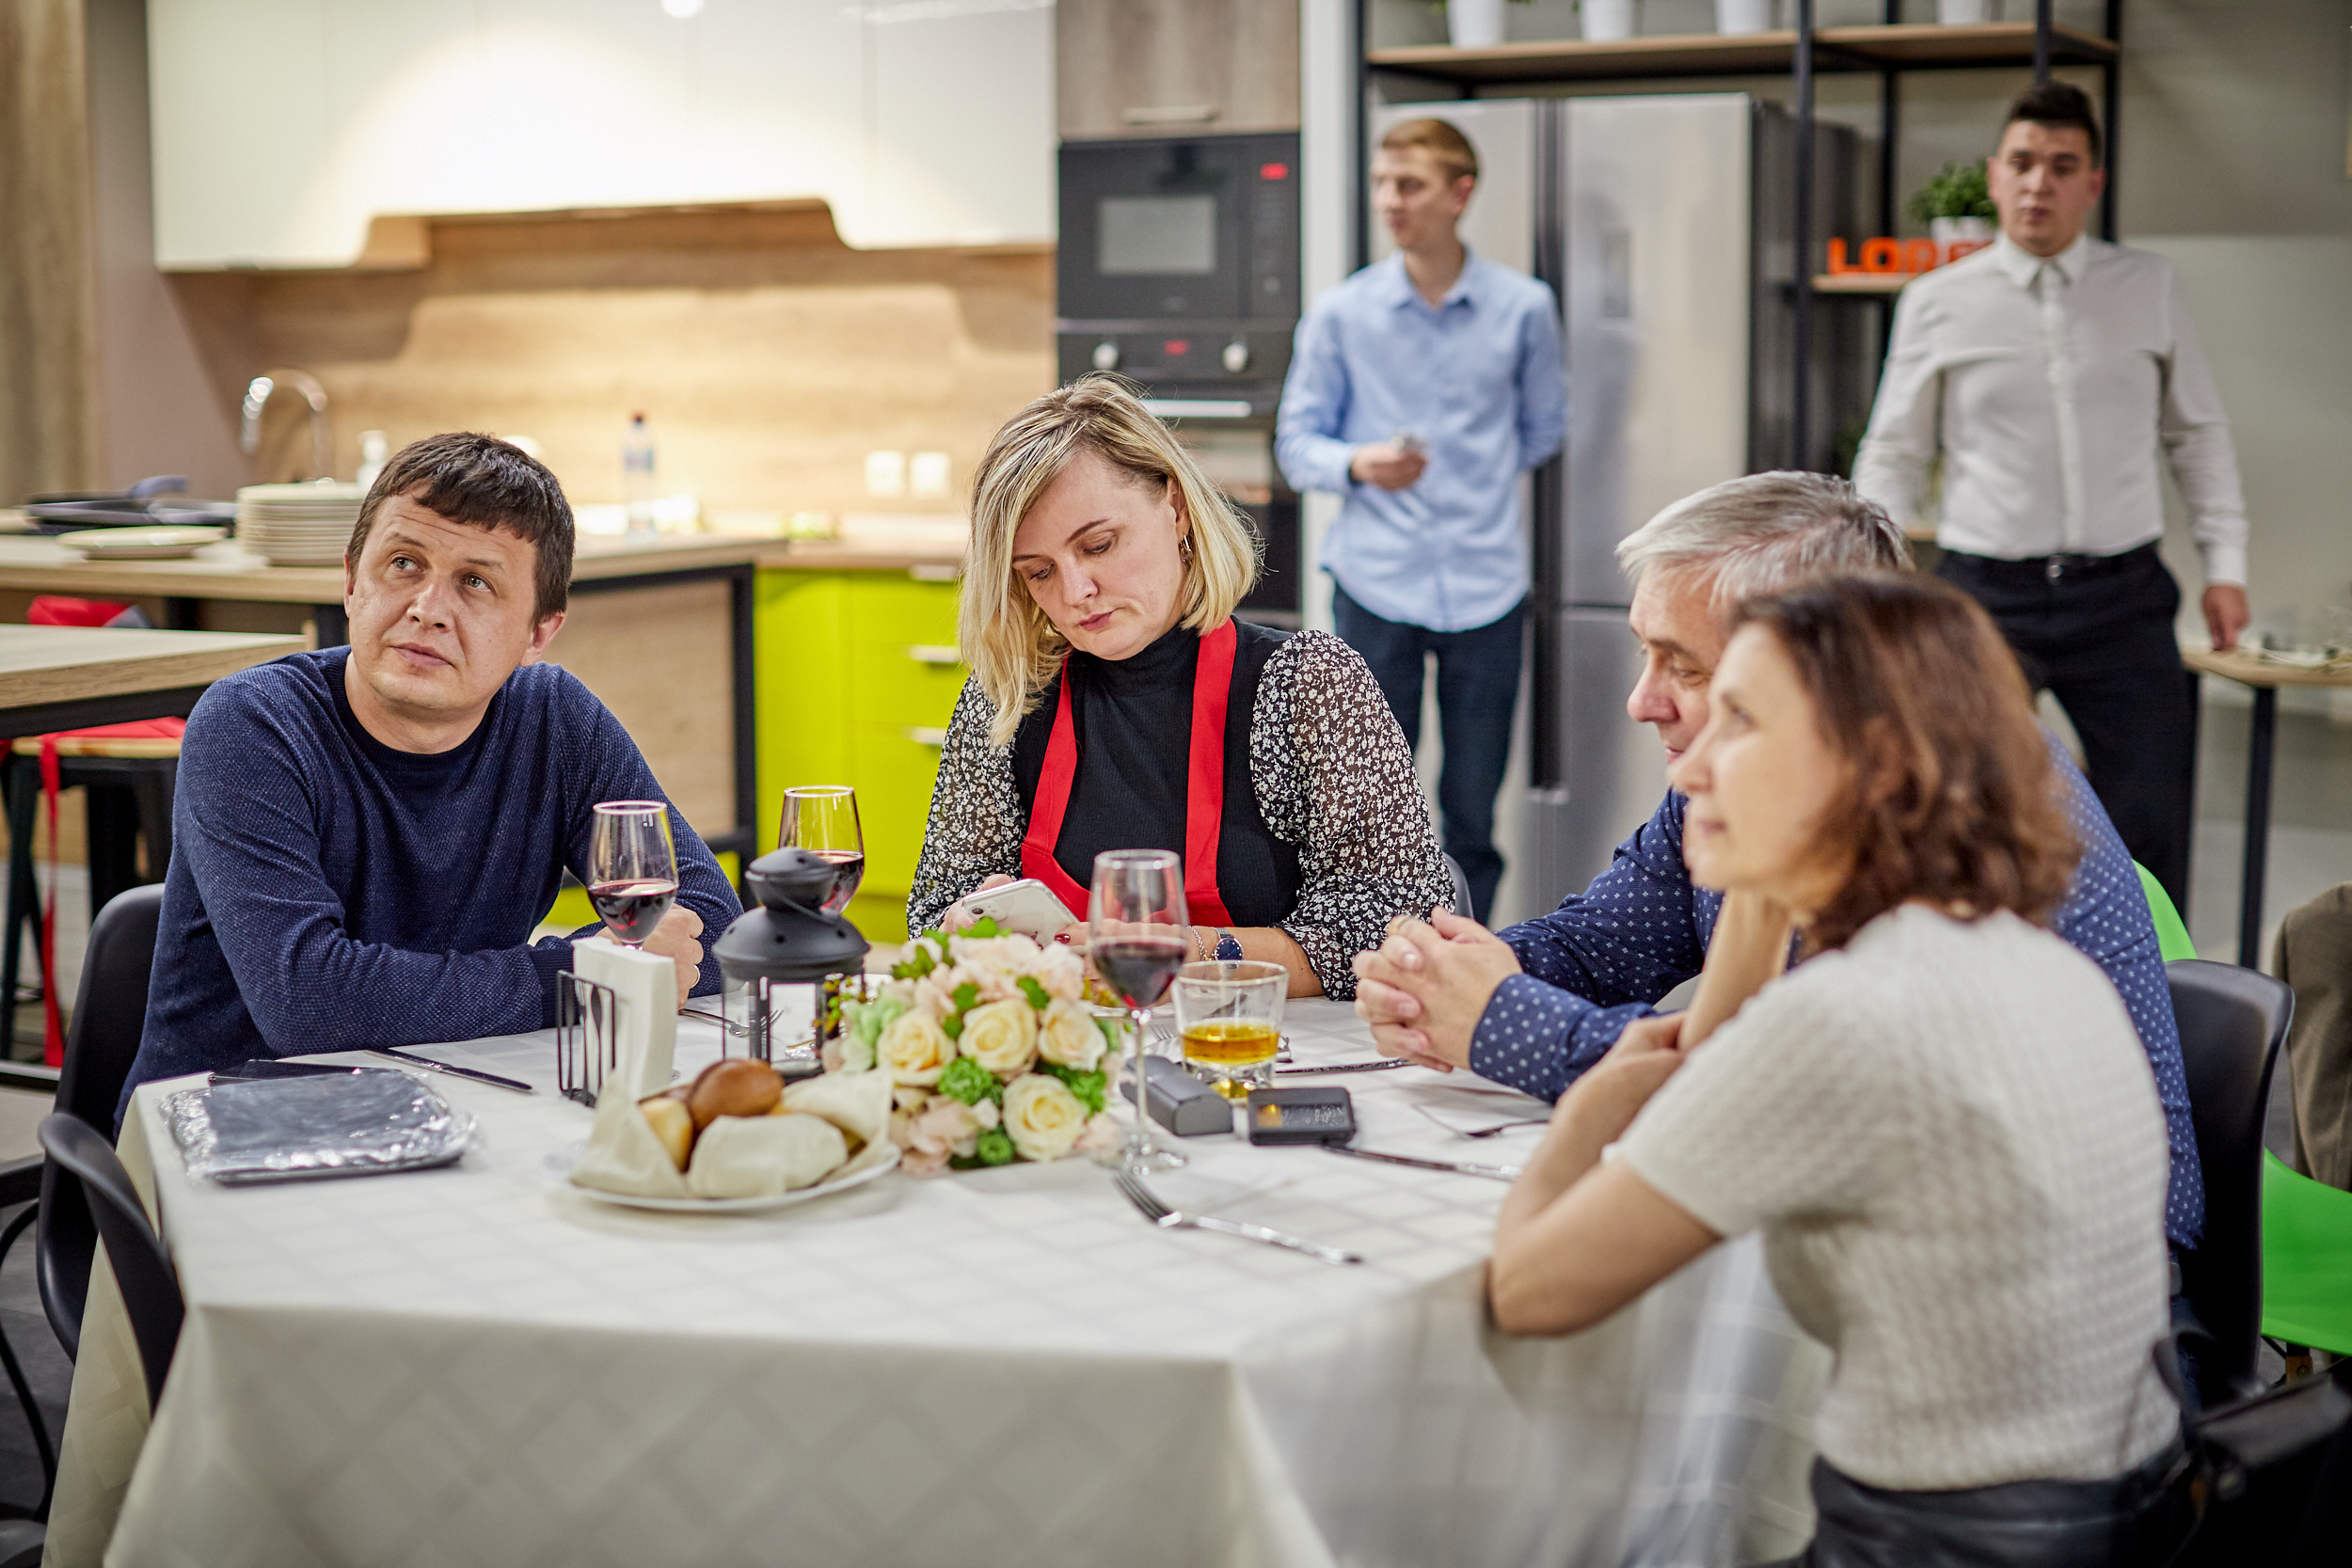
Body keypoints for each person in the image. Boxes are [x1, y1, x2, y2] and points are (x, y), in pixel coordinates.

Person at [1487, 573, 2191, 1565]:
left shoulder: (1850, 1015)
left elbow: (1529, 1291)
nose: (1690, 770)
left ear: (1870, 766)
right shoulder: (2020, 952)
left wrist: (1587, 1110)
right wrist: (1767, 892)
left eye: (1740, 723)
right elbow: (1723, 1068)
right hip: (2123, 1514)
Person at [1351, 471, 2203, 1256]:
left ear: (1819, 669)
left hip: (2092, 1308)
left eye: (1684, 666)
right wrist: (1444, 974)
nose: (1642, 701)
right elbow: (1603, 942)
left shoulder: (1953, 825)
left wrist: (1502, 1021)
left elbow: (1756, 1091)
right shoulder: (1757, 767)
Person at [123, 433, 738, 1114]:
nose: (428, 607)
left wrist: (597, 969)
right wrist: (581, 973)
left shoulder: (556, 723)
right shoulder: (254, 725)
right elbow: (309, 1006)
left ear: (539, 631)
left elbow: (706, 924)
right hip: (228, 1131)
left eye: (475, 582)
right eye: (404, 563)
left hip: (449, 1104)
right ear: (353, 581)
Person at [907, 375, 1452, 998]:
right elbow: (932, 914)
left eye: (1100, 544)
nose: (1074, 591)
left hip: (1260, 1059)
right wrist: (964, 927)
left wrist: (1194, 956)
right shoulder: (1009, 697)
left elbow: (1396, 926)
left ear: (1176, 509)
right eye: (1039, 572)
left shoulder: (1308, 686)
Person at [1854, 81, 2250, 909]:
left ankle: (2154, 1008)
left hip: (2123, 593)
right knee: (1956, 805)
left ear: (2093, 184)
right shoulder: (1936, 302)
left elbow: (2197, 434)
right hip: (1985, 593)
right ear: (1996, 175)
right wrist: (1872, 580)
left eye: (2063, 166)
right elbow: (1893, 450)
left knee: (2147, 817)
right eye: (2025, 163)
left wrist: (2227, 564)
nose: (2040, 183)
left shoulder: (2149, 286)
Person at [1275, 116, 1566, 922]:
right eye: (1381, 183)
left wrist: (1471, 479)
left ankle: (1467, 968)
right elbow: (1296, 444)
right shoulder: (1342, 314)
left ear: (1459, 193)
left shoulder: (1524, 309)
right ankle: (1373, 966)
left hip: (1488, 585)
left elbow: (1545, 429)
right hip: (1376, 583)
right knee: (1368, 813)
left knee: (1473, 813)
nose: (1389, 201)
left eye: (1409, 185)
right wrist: (1360, 463)